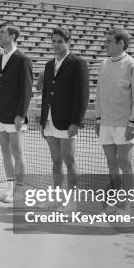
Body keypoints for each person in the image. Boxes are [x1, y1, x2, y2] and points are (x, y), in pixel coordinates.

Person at [94, 27, 134, 211]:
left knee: (125, 163)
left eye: (109, 41)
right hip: (106, 124)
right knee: (111, 164)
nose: (105, 44)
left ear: (121, 43)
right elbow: (99, 94)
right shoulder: (104, 64)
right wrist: (98, 118)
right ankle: (115, 199)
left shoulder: (133, 65)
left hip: (125, 125)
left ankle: (127, 203)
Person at [0, 24, 33, 203]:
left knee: (17, 152)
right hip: (0, 114)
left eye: (2, 33)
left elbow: (27, 90)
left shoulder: (23, 59)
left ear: (12, 36)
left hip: (15, 115)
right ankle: (10, 189)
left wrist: (21, 114)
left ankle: (20, 191)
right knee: (5, 151)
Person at [40, 26, 89, 190]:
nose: (56, 45)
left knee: (69, 160)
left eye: (60, 42)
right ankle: (57, 196)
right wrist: (42, 121)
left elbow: (82, 95)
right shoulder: (48, 65)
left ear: (68, 43)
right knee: (55, 161)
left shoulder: (77, 63)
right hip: (50, 120)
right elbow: (46, 93)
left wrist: (76, 122)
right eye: (53, 41)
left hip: (67, 121)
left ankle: (72, 200)